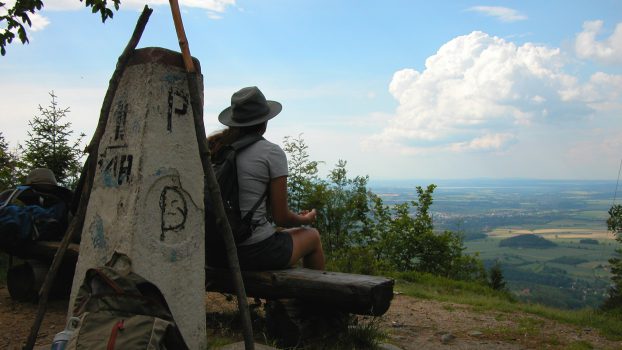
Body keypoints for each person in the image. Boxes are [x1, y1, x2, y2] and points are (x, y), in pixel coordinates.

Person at [206, 86, 324, 271]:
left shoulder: (215, 148)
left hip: (212, 252)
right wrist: (305, 219)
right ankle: (312, 299)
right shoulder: (271, 153)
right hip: (251, 253)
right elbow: (282, 217)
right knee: (313, 236)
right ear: (264, 121)